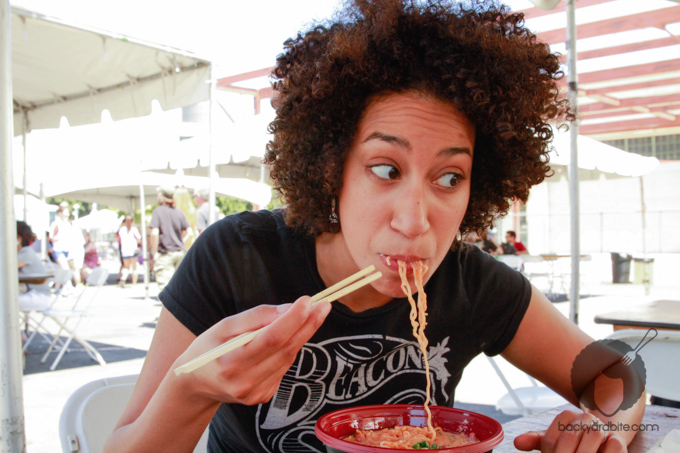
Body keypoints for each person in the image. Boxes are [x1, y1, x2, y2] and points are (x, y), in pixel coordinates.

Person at [105, 2, 644, 452]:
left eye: (449, 177)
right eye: (386, 169)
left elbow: (620, 377)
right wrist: (193, 390)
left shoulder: (470, 282)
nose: (414, 222)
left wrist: (604, 428)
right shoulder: (240, 257)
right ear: (331, 166)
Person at [148, 186, 190, 292]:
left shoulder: (158, 211)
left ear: (161, 196)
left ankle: (170, 308)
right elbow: (190, 233)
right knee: (180, 286)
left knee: (166, 289)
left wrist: (155, 252)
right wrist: (181, 243)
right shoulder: (179, 212)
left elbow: (154, 232)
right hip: (180, 253)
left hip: (166, 253)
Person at [17, 221, 52, 312]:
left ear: (18, 239)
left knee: (5, 302)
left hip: (38, 296)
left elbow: (6, 268)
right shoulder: (26, 251)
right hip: (34, 294)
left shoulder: (26, 252)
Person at [117, 215, 142, 287]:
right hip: (133, 250)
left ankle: (123, 278)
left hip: (125, 251)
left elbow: (120, 240)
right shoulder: (134, 229)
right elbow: (139, 240)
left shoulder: (121, 230)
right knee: (134, 267)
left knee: (126, 267)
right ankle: (134, 283)